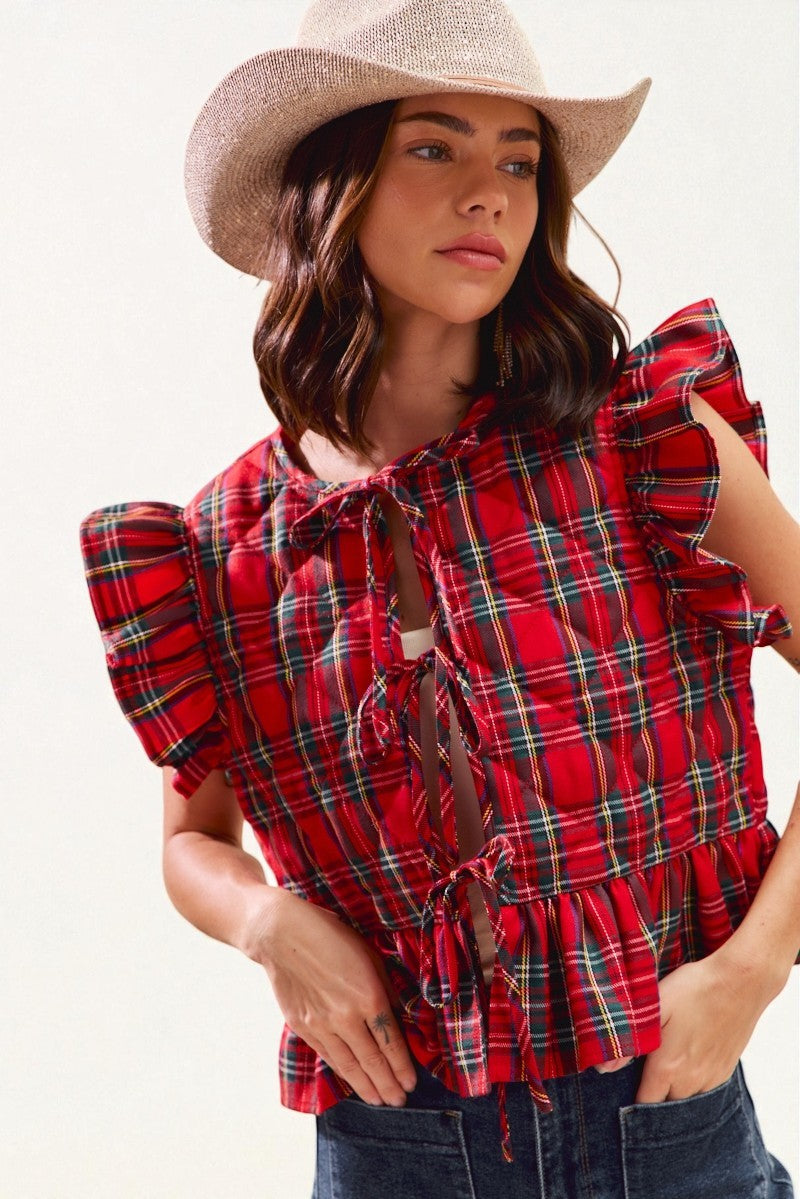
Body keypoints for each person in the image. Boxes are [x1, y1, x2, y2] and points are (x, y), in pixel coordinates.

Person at [79, 1, 800, 1195]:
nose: (490, 193)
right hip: (394, 1139)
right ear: (335, 184)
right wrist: (267, 925)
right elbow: (194, 843)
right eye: (434, 146)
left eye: (517, 159)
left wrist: (752, 966)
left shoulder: (642, 439)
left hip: (665, 1121)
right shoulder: (218, 548)